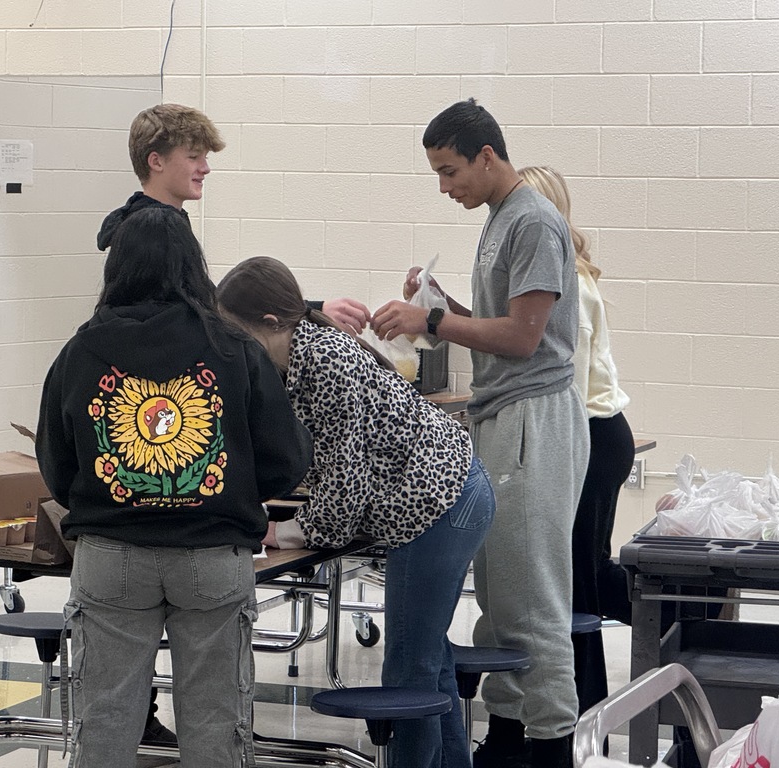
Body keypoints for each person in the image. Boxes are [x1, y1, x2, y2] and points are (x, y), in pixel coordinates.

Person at [35, 207, 312, 768]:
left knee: (104, 722)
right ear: (194, 266)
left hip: (111, 555)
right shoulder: (234, 348)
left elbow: (56, 465)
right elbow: (286, 462)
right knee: (215, 726)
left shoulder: (82, 350)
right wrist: (231, 486)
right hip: (212, 554)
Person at [371, 99, 590, 768]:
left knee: (532, 600)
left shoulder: (533, 221)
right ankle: (507, 738)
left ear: (487, 156)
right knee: (498, 598)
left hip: (534, 419)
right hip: (503, 415)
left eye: (449, 171)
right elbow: (504, 322)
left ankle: (550, 745)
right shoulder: (500, 218)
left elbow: (524, 339)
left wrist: (432, 323)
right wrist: (443, 305)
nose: (445, 187)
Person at [217, 256, 495, 768]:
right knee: (429, 661)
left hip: (439, 504)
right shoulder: (297, 358)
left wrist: (282, 532)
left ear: (272, 323)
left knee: (408, 668)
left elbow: (344, 493)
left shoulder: (325, 360)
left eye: (238, 332)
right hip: (445, 498)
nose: (233, 345)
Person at [519, 165, 635, 716]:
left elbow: (565, 374)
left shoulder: (572, 283)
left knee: (577, 579)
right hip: (591, 431)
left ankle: (584, 709)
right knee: (581, 569)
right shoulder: (559, 276)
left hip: (591, 433)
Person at [98, 102, 372, 335]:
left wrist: (312, 309)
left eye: (205, 157)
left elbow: (209, 302)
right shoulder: (157, 234)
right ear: (156, 162)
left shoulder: (158, 223)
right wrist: (310, 311)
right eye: (193, 157)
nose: (205, 168)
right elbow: (212, 310)